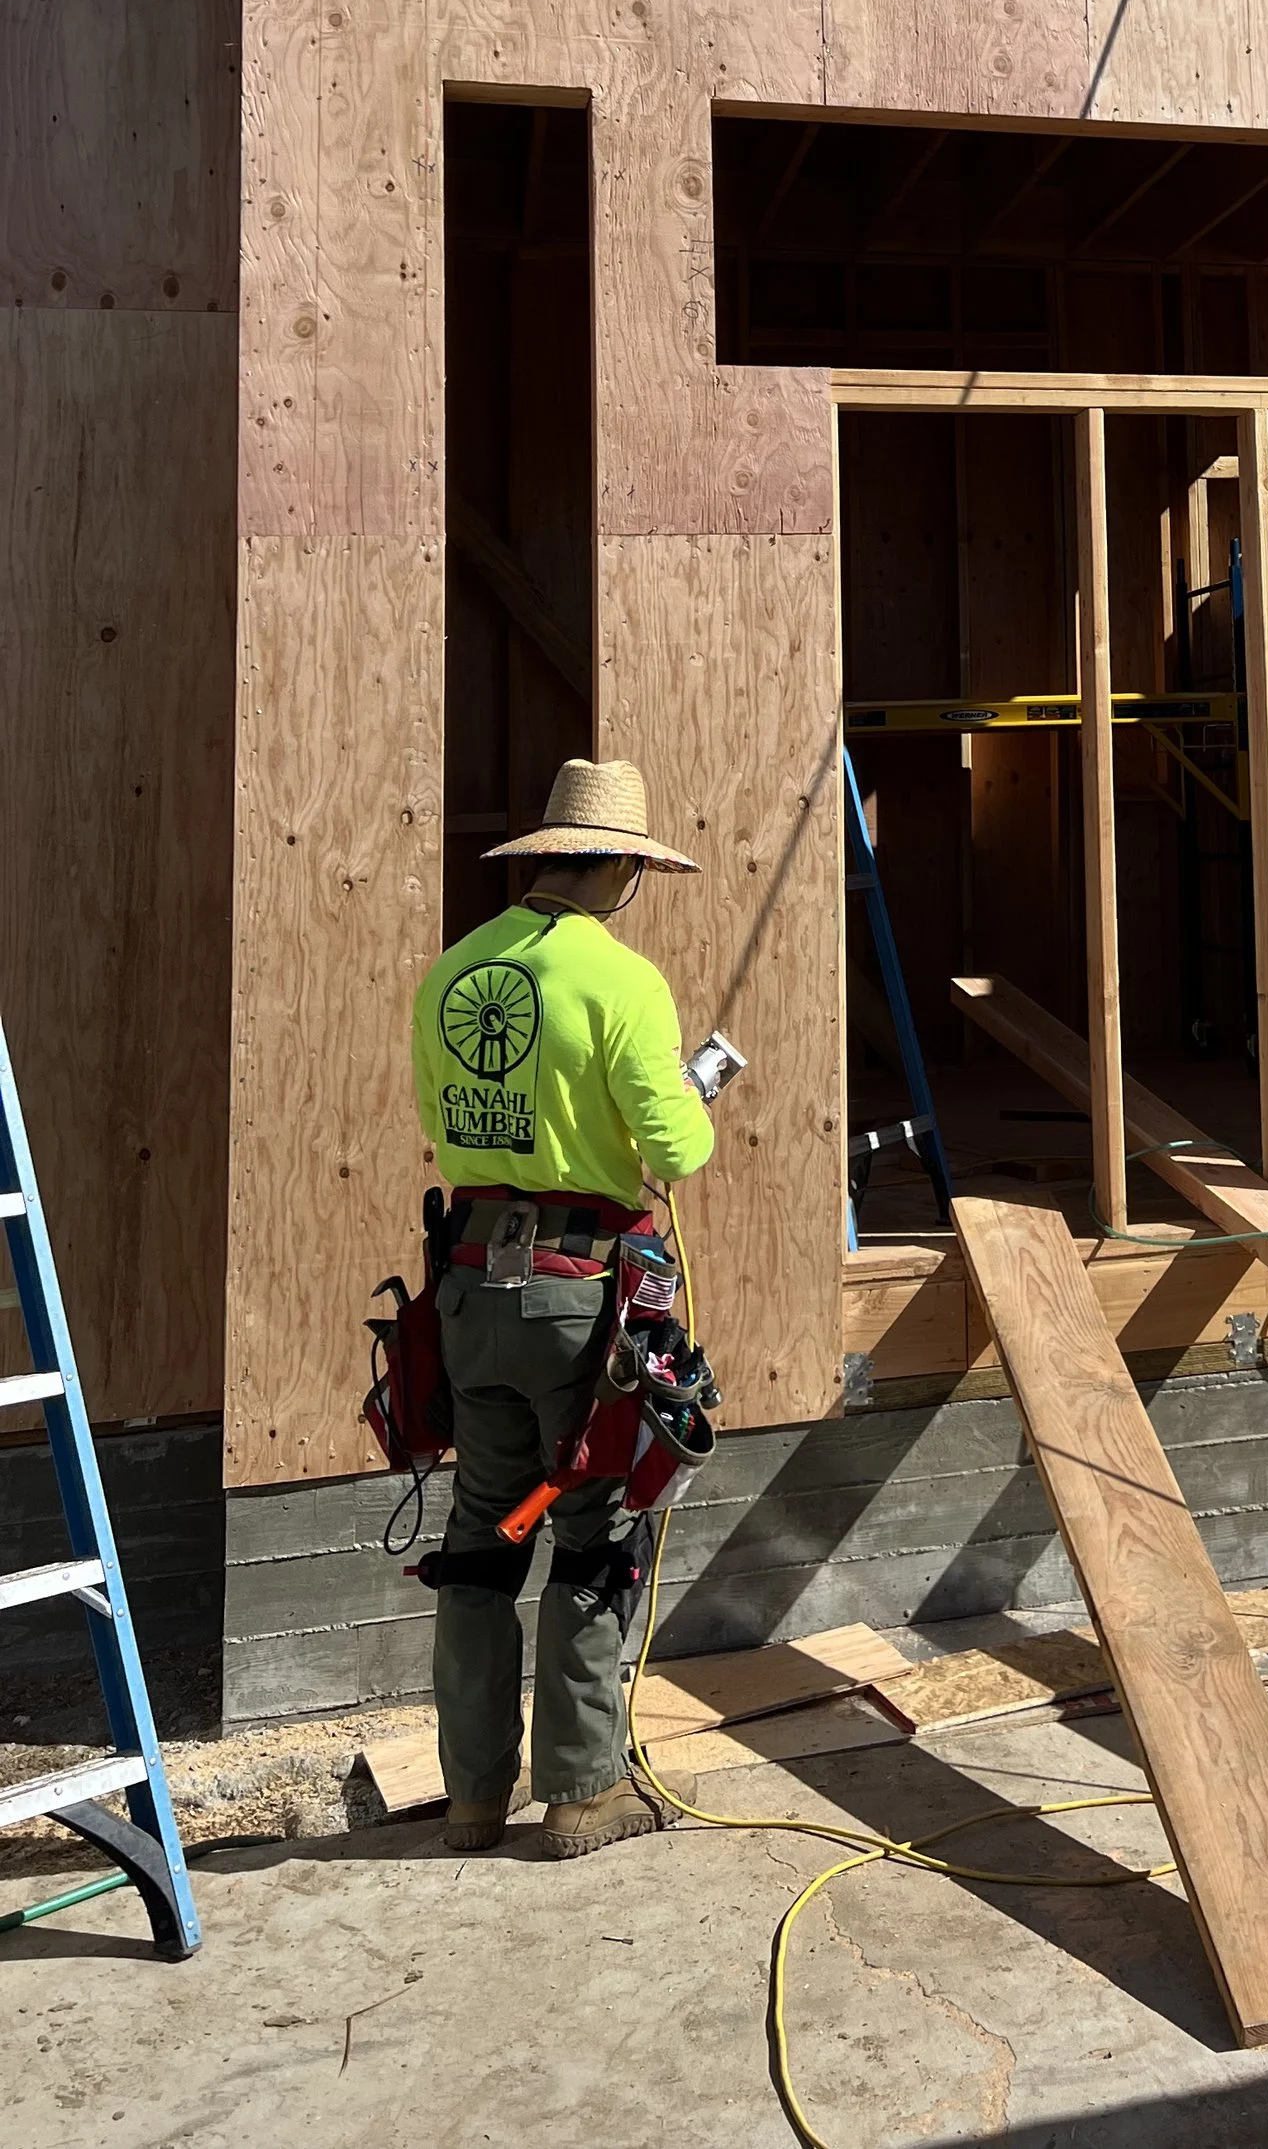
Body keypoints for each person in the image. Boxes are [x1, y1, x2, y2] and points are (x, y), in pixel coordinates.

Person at [409, 756, 716, 1859]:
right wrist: (685, 1096)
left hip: (468, 1290)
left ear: (542, 857)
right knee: (591, 1535)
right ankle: (583, 1794)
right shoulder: (622, 981)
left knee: (483, 1542)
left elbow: (449, 1124)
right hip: (576, 1302)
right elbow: (677, 1148)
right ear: (625, 869)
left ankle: (471, 1799)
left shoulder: (452, 973)